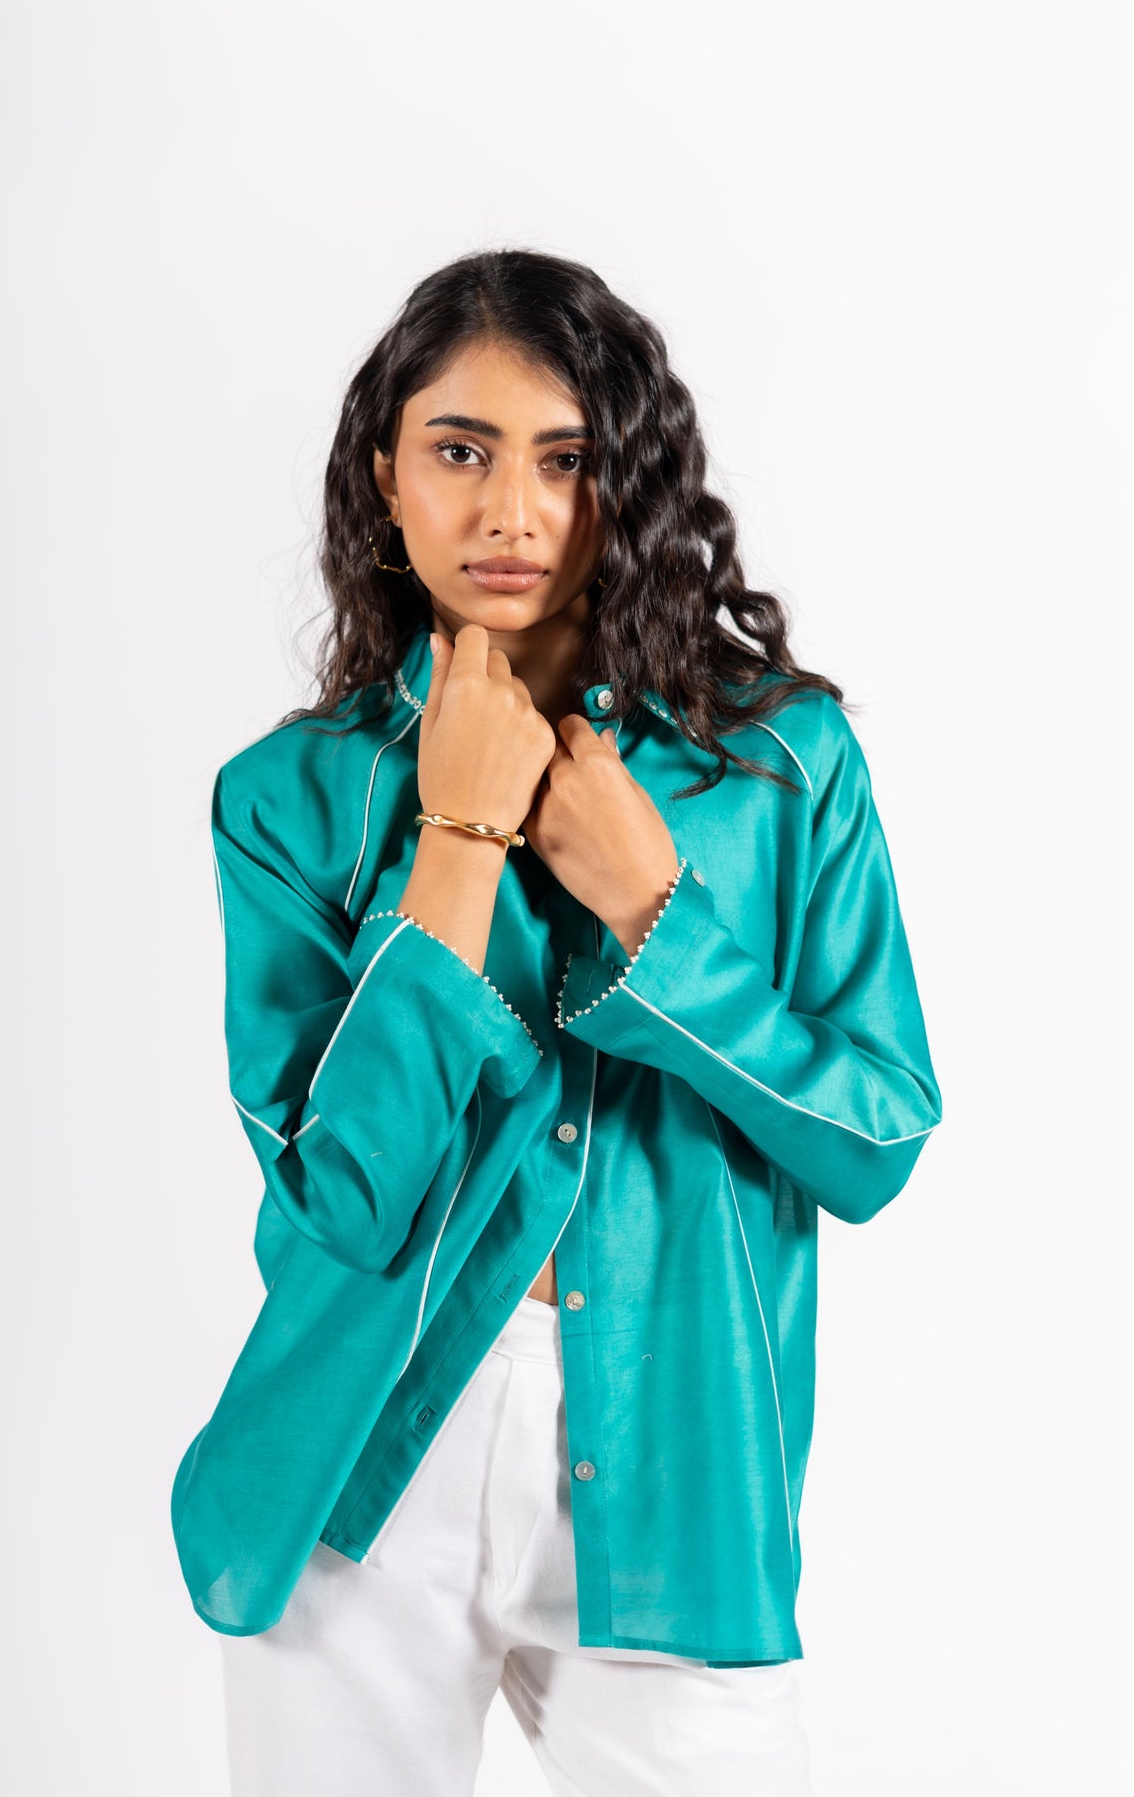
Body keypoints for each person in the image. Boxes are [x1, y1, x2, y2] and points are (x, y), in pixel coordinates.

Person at [170, 246, 942, 1796]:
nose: (511, 514)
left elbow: (875, 1139)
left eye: (566, 459)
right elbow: (344, 1200)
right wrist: (456, 844)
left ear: (627, 484)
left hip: (677, 1463)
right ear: (387, 478)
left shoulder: (780, 767)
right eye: (461, 452)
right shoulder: (289, 800)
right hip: (359, 1467)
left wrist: (659, 920)